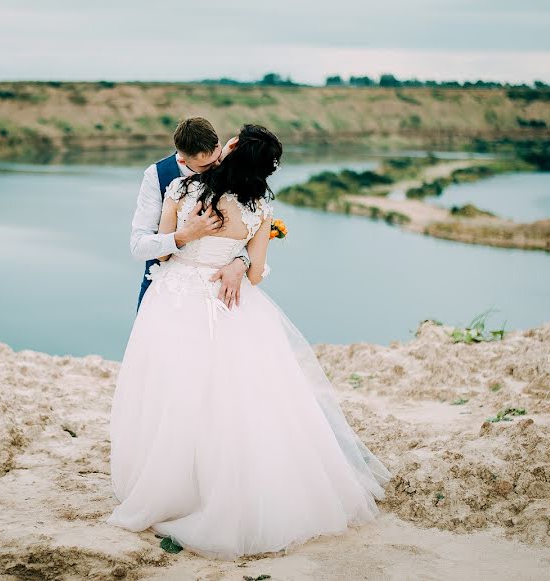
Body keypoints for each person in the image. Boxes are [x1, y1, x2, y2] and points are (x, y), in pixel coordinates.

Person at [108, 124, 393, 559]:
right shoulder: (255, 206)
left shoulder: (183, 191)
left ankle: (176, 487)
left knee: (187, 392)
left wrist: (227, 258)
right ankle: (218, 487)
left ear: (227, 150)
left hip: (180, 297)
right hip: (229, 307)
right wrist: (232, 253)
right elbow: (249, 270)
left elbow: (169, 257)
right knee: (230, 395)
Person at [130, 117, 249, 311]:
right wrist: (184, 235)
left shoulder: (228, 162)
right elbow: (138, 246)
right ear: (183, 159)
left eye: (218, 157)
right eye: (206, 167)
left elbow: (248, 227)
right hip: (164, 292)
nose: (217, 167)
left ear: (218, 143)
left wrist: (241, 262)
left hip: (221, 291)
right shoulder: (156, 176)